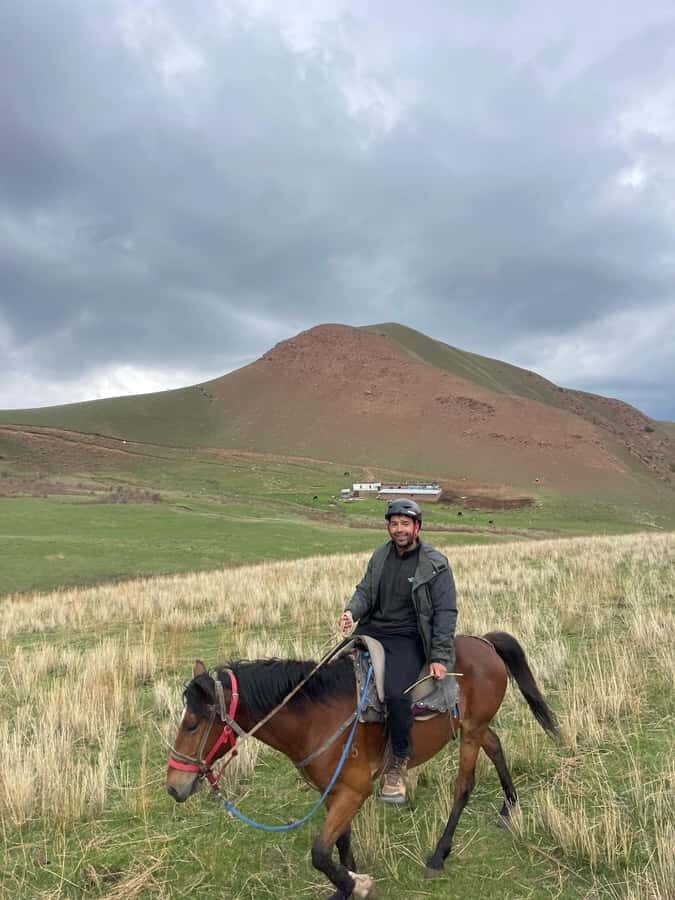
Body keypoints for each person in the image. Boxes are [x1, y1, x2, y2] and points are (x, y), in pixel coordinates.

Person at [337, 498, 457, 803]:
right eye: (394, 523)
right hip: (372, 629)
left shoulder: (435, 564)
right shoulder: (380, 556)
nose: (398, 529)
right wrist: (352, 612)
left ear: (416, 527)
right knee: (334, 676)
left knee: (394, 693)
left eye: (405, 523)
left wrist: (440, 657)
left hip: (408, 638)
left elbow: (445, 612)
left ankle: (398, 762)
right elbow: (365, 591)